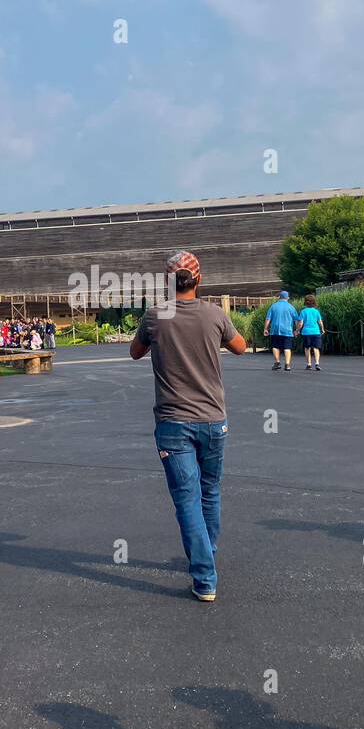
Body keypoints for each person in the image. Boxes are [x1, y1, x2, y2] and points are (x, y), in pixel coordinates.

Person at [131, 251, 248, 603]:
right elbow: (241, 348)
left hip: (173, 421)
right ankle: (205, 553)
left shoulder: (157, 316)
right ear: (200, 279)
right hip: (213, 419)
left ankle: (204, 576)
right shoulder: (214, 314)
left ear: (168, 282)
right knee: (210, 491)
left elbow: (135, 352)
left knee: (186, 499)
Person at [264, 290, 300, 371]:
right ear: (287, 298)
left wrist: (265, 329)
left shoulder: (273, 306)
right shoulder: (291, 307)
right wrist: (296, 330)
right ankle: (287, 365)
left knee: (275, 346)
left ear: (279, 297)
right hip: (287, 330)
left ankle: (277, 362)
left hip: (275, 330)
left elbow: (268, 319)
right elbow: (296, 320)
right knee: (287, 348)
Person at [297, 293, 325, 370]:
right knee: (316, 348)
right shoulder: (316, 311)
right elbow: (320, 322)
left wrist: (298, 330)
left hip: (306, 332)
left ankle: (309, 364)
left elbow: (301, 323)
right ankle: (317, 363)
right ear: (314, 302)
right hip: (316, 331)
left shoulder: (303, 311)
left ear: (305, 302)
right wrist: (322, 329)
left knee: (307, 348)